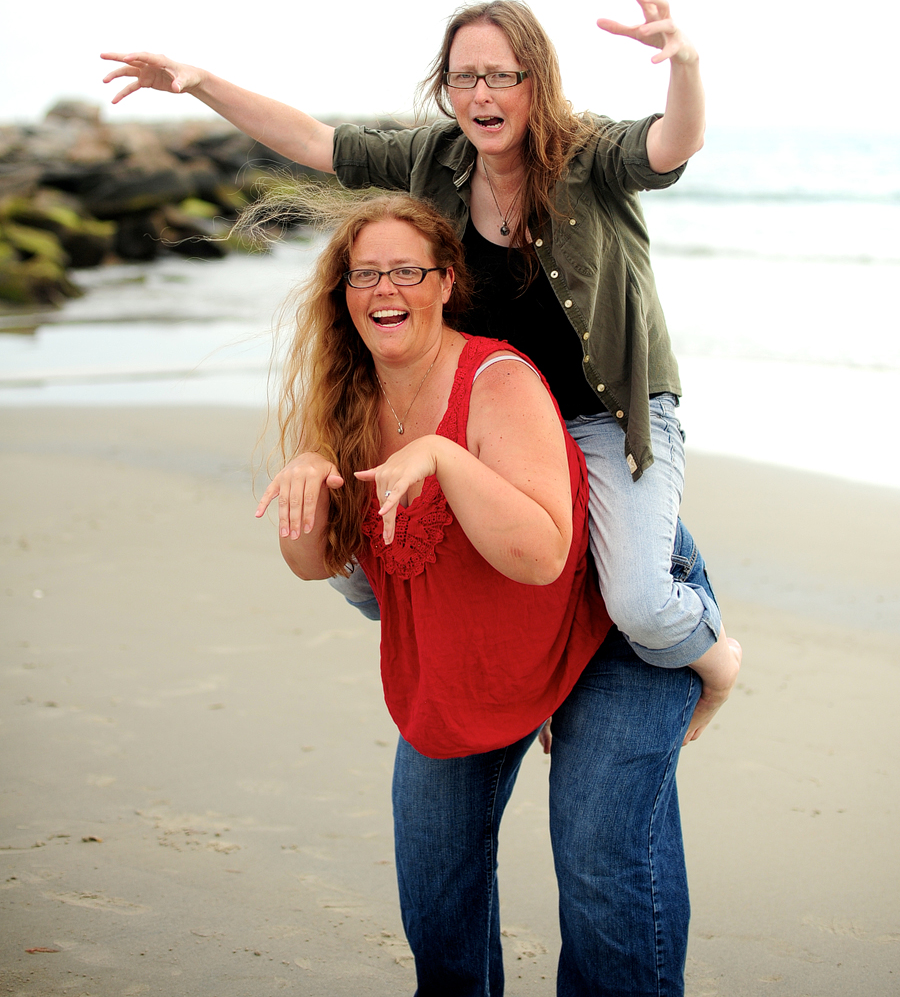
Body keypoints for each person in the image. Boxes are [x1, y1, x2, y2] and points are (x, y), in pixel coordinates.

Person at [101, 0, 737, 718]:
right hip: (488, 423)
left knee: (640, 603)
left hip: (605, 413)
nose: (482, 93)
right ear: (446, 86)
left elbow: (672, 144)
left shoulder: (588, 154)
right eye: (464, 76)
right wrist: (199, 82)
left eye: (503, 74)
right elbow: (316, 142)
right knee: (370, 572)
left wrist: (682, 63)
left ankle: (718, 661)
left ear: (537, 81)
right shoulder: (434, 157)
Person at [253, 186, 736, 995]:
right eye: (365, 274)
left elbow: (544, 555)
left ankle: (716, 659)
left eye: (406, 270)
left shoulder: (497, 379)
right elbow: (311, 563)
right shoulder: (346, 397)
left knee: (598, 866)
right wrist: (305, 476)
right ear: (344, 294)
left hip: (599, 624)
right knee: (435, 882)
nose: (384, 289)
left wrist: (446, 460)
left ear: (447, 282)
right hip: (472, 644)